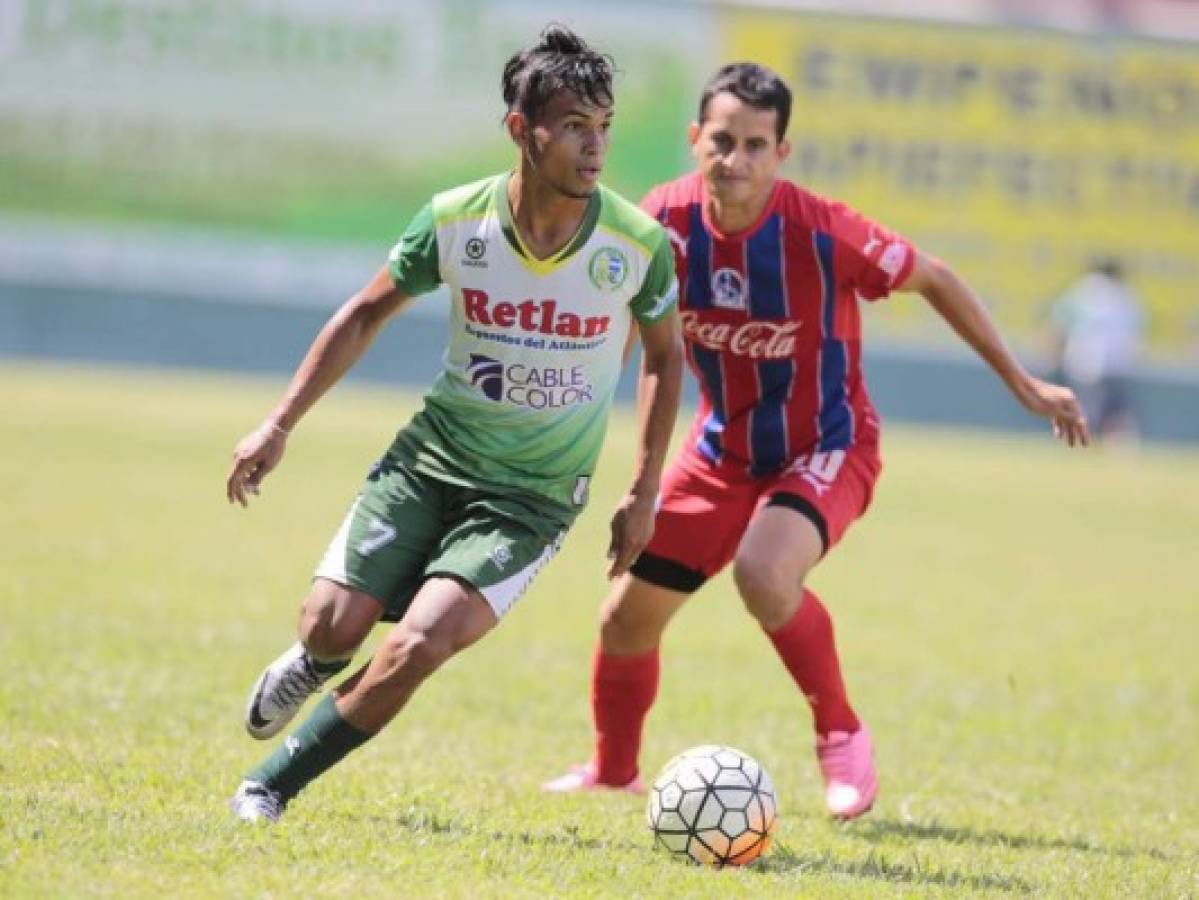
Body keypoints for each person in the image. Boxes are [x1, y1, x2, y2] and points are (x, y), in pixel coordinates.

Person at [545, 62, 1089, 818]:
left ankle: (840, 735)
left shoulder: (821, 232)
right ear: (694, 137)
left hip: (827, 445)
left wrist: (1023, 384)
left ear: (781, 153)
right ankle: (612, 771)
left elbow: (933, 276)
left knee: (763, 574)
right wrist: (606, 451)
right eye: (722, 140)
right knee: (626, 618)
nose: (735, 159)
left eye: (755, 145)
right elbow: (645, 349)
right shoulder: (659, 224)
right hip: (719, 451)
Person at [225, 25, 683, 823]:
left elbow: (664, 359)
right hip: (428, 464)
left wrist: (643, 490)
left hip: (533, 498)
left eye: (604, 126)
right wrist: (279, 423)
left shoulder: (636, 244)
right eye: (575, 125)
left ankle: (268, 786)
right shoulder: (453, 220)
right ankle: (314, 659)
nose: (595, 146)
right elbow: (366, 313)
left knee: (415, 648)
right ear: (521, 129)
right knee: (332, 625)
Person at [1050, 257, 1143, 442]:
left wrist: (1054, 351)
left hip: (1086, 360)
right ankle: (1118, 443)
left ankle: (1082, 441)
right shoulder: (1127, 295)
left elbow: (1061, 320)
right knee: (1115, 409)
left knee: (1086, 407)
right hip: (1119, 363)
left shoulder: (1085, 289)